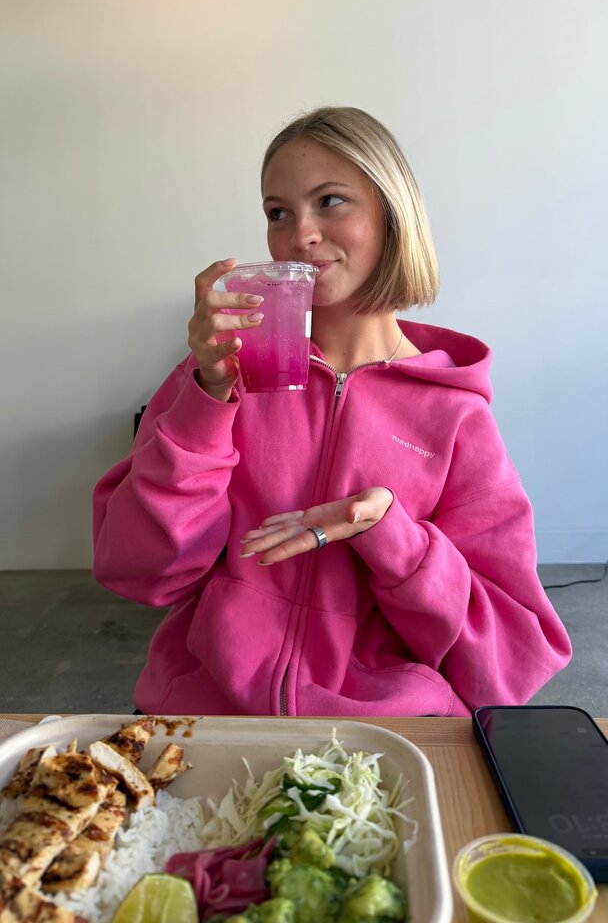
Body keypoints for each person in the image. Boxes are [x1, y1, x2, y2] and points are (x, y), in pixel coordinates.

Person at [93, 106, 571, 716]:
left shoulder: (454, 413)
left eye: (330, 201)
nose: (301, 236)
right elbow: (139, 569)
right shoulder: (221, 377)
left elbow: (511, 658)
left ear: (392, 214)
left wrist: (392, 537)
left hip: (382, 736)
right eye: (278, 212)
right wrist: (206, 400)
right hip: (208, 717)